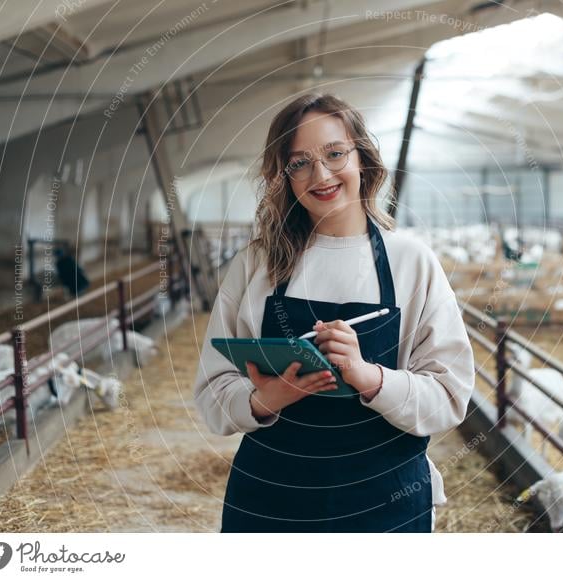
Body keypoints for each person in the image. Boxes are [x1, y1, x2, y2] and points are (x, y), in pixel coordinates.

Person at [193, 93, 475, 533]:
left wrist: (370, 376)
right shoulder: (257, 264)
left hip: (385, 499)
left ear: (362, 157)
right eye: (299, 162)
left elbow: (450, 397)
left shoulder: (411, 263)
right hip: (272, 498)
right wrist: (265, 399)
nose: (320, 175)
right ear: (283, 176)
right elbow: (212, 391)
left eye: (334, 154)